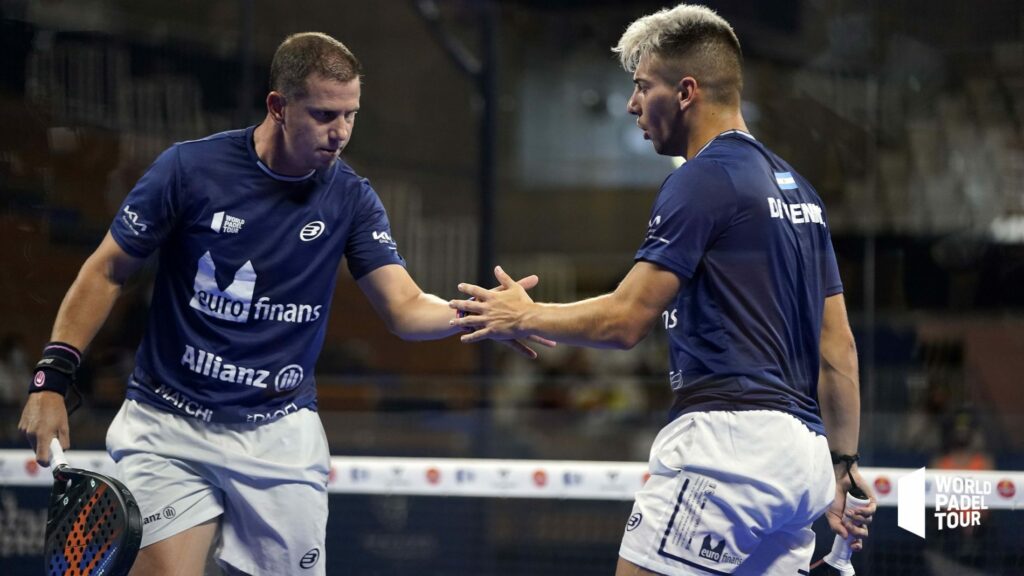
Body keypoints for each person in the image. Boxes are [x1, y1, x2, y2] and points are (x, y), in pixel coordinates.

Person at [18, 32, 548, 576]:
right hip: (166, 424)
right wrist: (51, 379)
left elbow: (406, 307)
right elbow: (107, 269)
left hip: (277, 433)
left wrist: (483, 315)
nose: (339, 133)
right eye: (323, 115)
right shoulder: (188, 170)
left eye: (351, 115)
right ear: (278, 105)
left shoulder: (351, 199)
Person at [451, 5, 875, 575]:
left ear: (686, 91)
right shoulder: (801, 193)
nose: (631, 104)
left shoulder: (700, 179)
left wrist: (523, 315)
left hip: (729, 450)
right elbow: (838, 348)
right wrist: (843, 463)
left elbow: (625, 321)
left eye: (642, 86)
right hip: (802, 465)